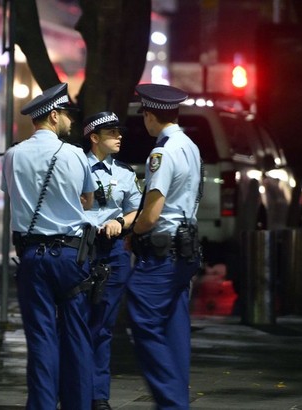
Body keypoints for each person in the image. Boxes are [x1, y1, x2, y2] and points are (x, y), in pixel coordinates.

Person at [1, 82, 97, 410]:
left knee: (40, 339)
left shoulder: (12, 155)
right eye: (67, 113)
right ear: (54, 116)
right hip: (71, 256)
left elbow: (11, 193)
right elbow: (88, 199)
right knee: (77, 338)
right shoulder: (74, 155)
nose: (70, 119)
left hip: (31, 256)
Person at [127, 83, 202, 410]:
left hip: (162, 254)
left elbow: (151, 214)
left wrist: (130, 231)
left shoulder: (162, 152)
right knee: (174, 326)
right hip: (186, 251)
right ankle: (177, 398)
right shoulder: (190, 146)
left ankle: (172, 403)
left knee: (142, 317)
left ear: (149, 114)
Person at [82, 111, 142, 410]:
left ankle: (98, 395)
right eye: (111, 133)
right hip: (80, 249)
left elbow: (136, 209)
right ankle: (71, 389)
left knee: (103, 327)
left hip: (113, 252)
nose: (119, 137)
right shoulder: (75, 167)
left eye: (119, 132)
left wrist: (120, 220)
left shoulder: (125, 173)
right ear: (95, 137)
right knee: (74, 323)